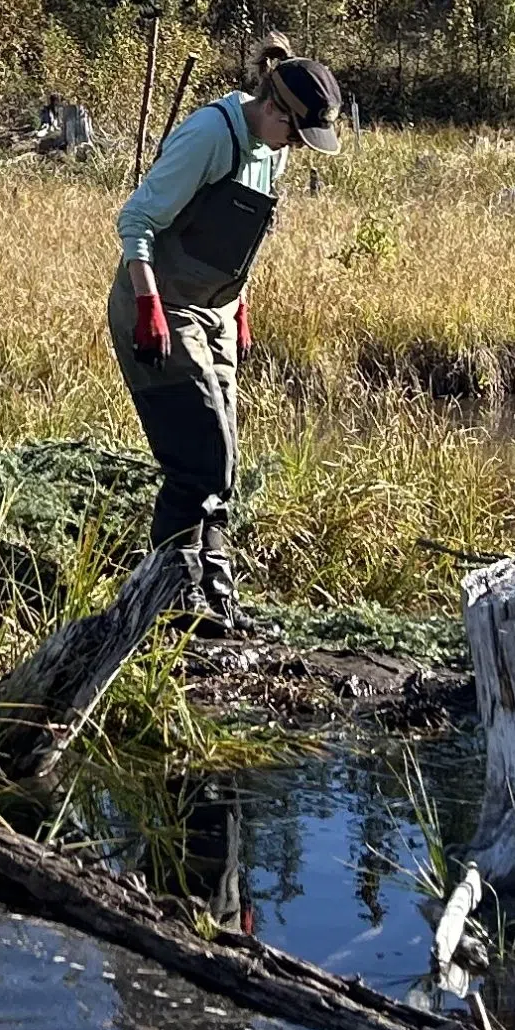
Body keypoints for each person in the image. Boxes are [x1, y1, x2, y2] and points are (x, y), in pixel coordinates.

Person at [109, 34, 346, 630]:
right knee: (198, 460)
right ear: (273, 109)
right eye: (295, 132)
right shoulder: (211, 136)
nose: (296, 146)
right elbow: (136, 219)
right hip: (160, 308)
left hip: (215, 312)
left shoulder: (276, 147)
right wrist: (148, 305)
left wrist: (238, 305)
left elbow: (239, 240)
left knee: (225, 467)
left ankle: (214, 593)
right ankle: (166, 596)